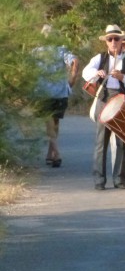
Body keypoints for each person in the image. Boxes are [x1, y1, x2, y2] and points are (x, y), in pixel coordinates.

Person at [82, 24, 125, 190]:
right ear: (106, 42)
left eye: (116, 39)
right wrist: (96, 73)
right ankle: (99, 180)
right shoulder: (100, 58)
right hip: (104, 99)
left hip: (122, 102)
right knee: (101, 142)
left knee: (123, 142)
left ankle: (120, 179)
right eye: (110, 39)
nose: (113, 42)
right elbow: (86, 72)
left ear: (122, 41)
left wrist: (123, 78)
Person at [33, 24, 79, 168]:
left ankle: (53, 152)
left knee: (51, 122)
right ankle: (54, 153)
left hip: (43, 93)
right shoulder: (62, 50)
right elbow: (75, 61)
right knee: (54, 122)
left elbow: (28, 70)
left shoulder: (35, 52)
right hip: (59, 92)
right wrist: (71, 80)